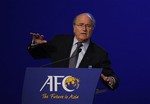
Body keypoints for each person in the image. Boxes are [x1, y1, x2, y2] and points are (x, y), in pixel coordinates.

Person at [28, 13, 119, 90]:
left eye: (88, 26)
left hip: (81, 98)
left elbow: (110, 76)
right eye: (80, 25)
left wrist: (111, 80)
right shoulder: (59, 42)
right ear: (74, 27)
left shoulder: (100, 53)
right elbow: (37, 54)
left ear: (92, 29)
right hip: (55, 95)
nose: (84, 29)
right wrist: (35, 45)